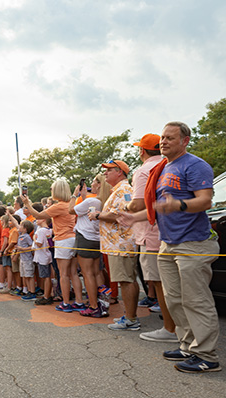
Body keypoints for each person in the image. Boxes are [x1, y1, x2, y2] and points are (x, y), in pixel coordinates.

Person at [128, 122, 221, 372]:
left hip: (193, 243)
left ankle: (207, 356)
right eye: (162, 138)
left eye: (170, 138)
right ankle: (188, 346)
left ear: (185, 141)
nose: (164, 142)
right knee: (175, 300)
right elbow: (157, 208)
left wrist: (178, 205)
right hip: (168, 243)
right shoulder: (163, 167)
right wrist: (131, 217)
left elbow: (205, 200)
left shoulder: (195, 165)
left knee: (196, 300)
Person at [120, 134, 178, 342]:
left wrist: (126, 207)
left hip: (150, 232)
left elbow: (137, 204)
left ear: (142, 151)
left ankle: (170, 328)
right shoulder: (168, 165)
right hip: (169, 230)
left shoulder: (144, 170)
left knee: (161, 282)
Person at [24, 179, 84, 312]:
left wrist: (27, 203)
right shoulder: (71, 204)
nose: (51, 191)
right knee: (73, 273)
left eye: (52, 189)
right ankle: (79, 301)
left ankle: (66, 302)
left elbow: (38, 215)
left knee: (63, 274)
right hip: (73, 239)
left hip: (62, 240)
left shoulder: (58, 206)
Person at [92, 160, 139, 330]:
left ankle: (131, 319)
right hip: (118, 243)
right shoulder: (119, 190)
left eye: (109, 170)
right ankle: (130, 316)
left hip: (121, 243)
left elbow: (121, 214)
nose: (105, 173)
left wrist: (98, 215)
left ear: (119, 172)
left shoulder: (124, 189)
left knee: (126, 280)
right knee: (127, 280)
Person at [68, 174, 113, 318]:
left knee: (88, 274)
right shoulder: (101, 201)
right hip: (96, 238)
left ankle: (93, 305)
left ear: (99, 185)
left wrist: (74, 196)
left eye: (94, 181)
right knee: (97, 272)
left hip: (85, 237)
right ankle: (101, 304)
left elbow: (71, 210)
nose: (91, 184)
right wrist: (84, 196)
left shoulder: (92, 200)